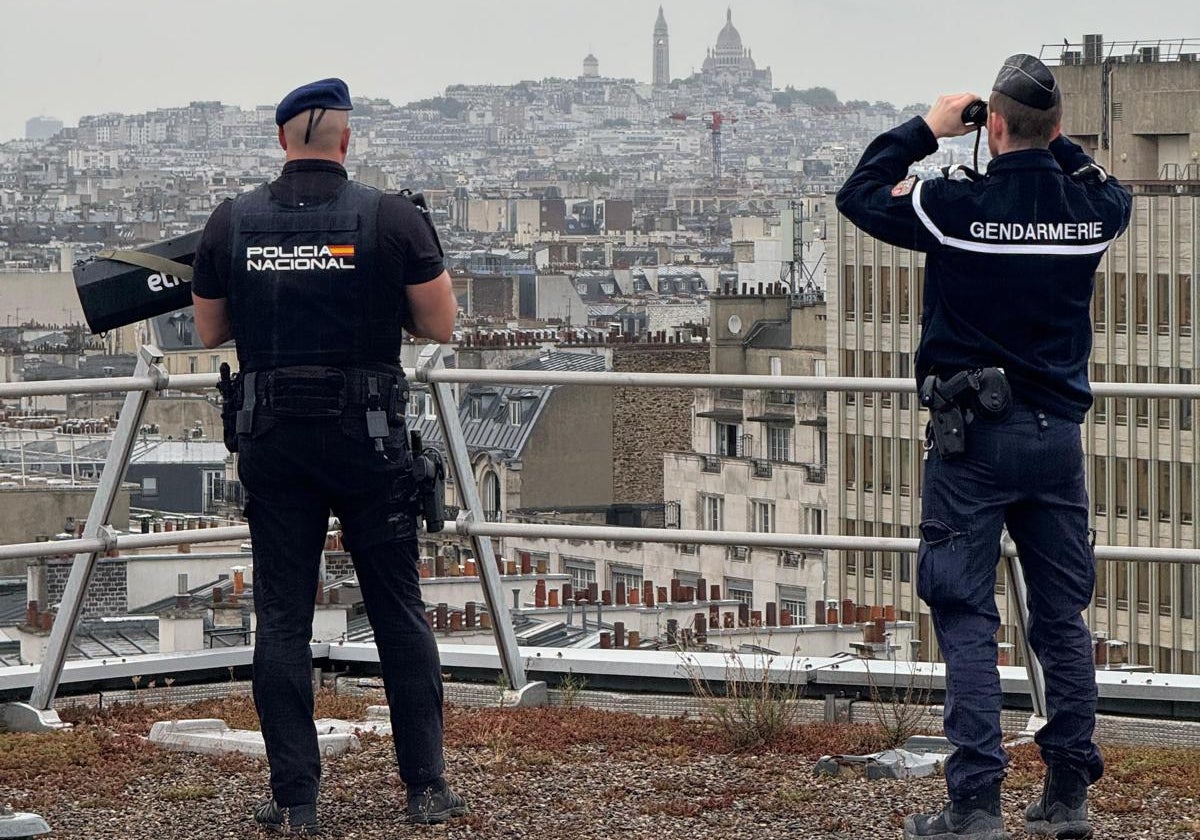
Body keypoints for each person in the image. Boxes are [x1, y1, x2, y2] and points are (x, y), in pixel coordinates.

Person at [836, 55, 1131, 840]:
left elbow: (860, 195)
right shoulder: (1090, 211)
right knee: (1061, 615)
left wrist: (929, 129)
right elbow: (1106, 185)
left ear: (989, 127)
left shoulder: (955, 207)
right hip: (1056, 442)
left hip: (974, 440)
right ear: (1057, 129)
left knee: (967, 612)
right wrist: (1049, 147)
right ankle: (1068, 791)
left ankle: (975, 801)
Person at [191, 77, 465, 833]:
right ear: (346, 142)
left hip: (273, 440)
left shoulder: (232, 220)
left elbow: (209, 331)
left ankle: (295, 801)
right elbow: (441, 324)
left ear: (283, 142)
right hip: (367, 438)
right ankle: (425, 788)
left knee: (281, 617)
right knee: (396, 609)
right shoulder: (390, 217)